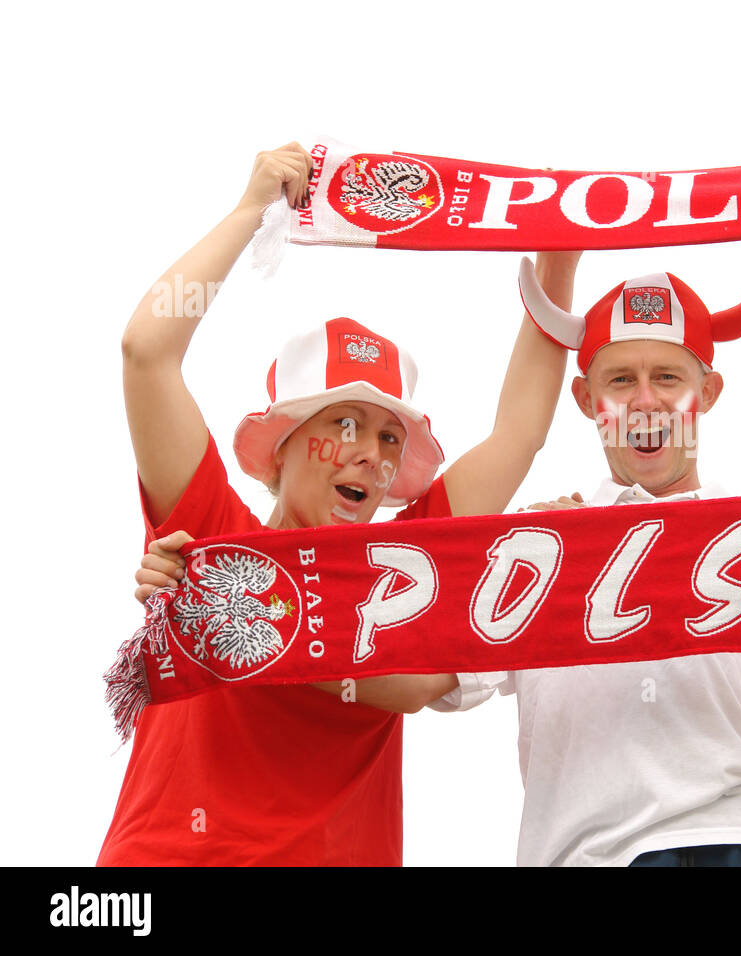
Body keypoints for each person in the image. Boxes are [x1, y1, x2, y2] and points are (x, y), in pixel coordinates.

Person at [105, 142, 580, 865]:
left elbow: (521, 432)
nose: (374, 455)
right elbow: (146, 350)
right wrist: (246, 214)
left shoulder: (405, 569)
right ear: (285, 444)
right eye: (346, 425)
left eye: (392, 438)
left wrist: (559, 265)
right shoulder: (211, 531)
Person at [433, 262, 741, 866]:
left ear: (707, 393)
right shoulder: (538, 548)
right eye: (621, 380)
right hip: (595, 854)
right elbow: (413, 673)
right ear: (585, 399)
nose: (645, 400)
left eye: (667, 376)